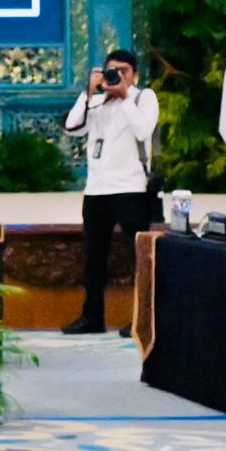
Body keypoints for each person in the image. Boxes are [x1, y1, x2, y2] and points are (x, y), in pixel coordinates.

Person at [62, 48, 159, 327]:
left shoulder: (144, 97)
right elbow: (71, 127)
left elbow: (143, 131)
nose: (117, 76)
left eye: (123, 71)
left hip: (131, 189)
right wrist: (88, 92)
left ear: (135, 75)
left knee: (138, 256)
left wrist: (126, 95)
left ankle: (142, 319)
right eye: (111, 71)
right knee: (94, 257)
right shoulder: (98, 102)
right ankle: (92, 316)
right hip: (96, 190)